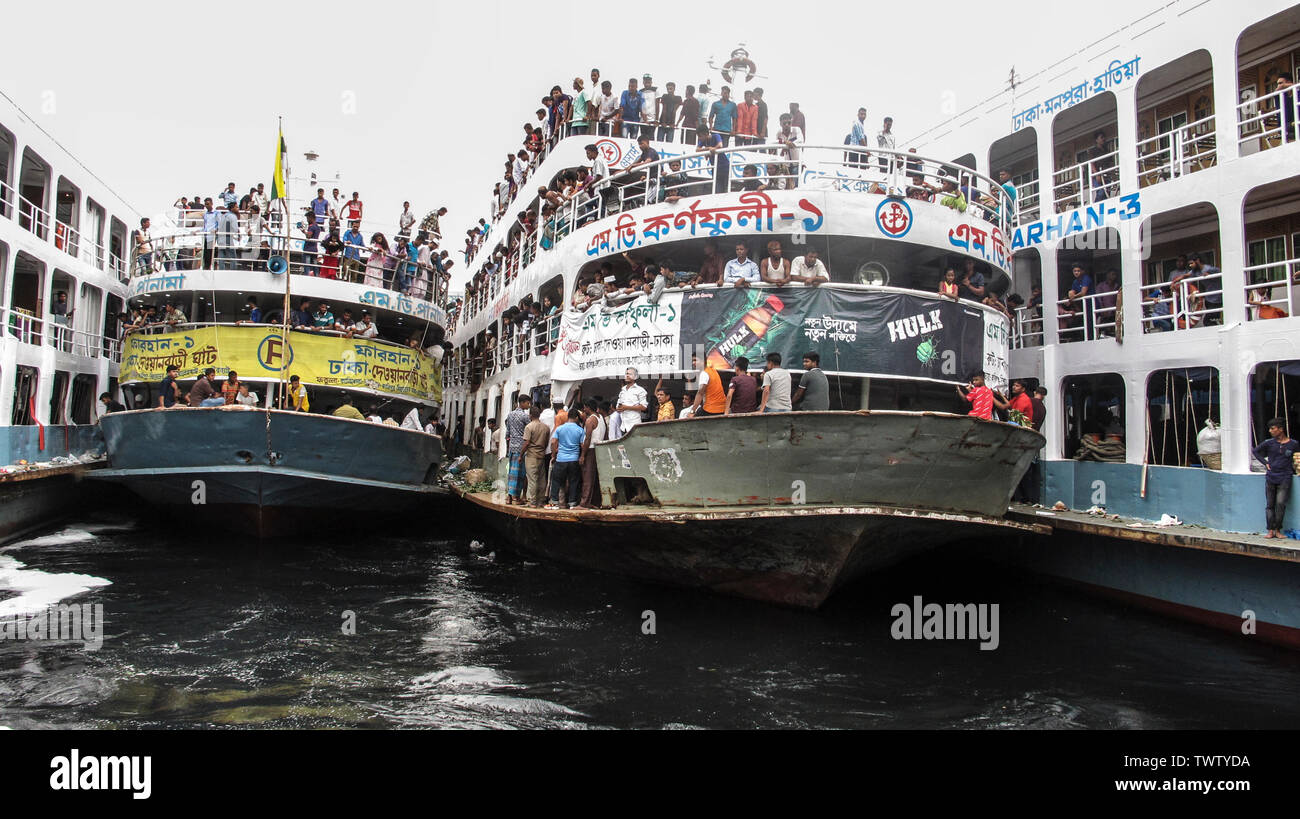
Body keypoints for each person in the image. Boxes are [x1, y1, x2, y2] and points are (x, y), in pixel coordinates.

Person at [1253, 417, 1300, 539]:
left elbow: (1297, 457)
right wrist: (1265, 463)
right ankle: (1270, 530)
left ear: (1281, 429)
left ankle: (1278, 529)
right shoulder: (1269, 443)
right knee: (1270, 504)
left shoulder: (1293, 444)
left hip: (1285, 477)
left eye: (1273, 428)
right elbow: (1255, 451)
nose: (1270, 431)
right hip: (1271, 477)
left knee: (1280, 504)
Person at [546, 412, 586, 510]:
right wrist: (582, 456)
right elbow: (582, 445)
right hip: (574, 459)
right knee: (573, 481)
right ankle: (572, 503)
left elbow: (553, 442)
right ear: (576, 417)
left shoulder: (560, 429)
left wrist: (554, 454)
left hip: (561, 459)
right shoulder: (580, 430)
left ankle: (554, 503)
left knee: (556, 480)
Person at [504, 395, 531, 504]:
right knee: (520, 473)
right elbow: (530, 430)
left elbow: (507, 433)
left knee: (512, 473)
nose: (529, 405)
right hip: (521, 448)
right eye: (528, 403)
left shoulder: (510, 415)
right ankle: (516, 497)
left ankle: (509, 497)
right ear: (522, 402)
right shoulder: (525, 417)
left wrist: (507, 448)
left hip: (512, 446)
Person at [579, 398, 606, 509]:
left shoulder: (590, 420)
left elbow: (587, 438)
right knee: (594, 477)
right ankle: (594, 501)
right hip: (599, 449)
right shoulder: (601, 418)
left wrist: (582, 455)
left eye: (585, 407)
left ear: (588, 407)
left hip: (590, 449)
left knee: (587, 477)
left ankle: (584, 503)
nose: (584, 409)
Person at [522, 405, 549, 507]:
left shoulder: (529, 427)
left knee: (532, 479)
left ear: (530, 415)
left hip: (531, 456)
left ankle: (533, 502)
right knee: (542, 479)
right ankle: (541, 501)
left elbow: (526, 443)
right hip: (541, 455)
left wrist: (521, 455)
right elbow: (546, 443)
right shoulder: (546, 427)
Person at [616, 368, 648, 435]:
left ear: (635, 377)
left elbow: (644, 407)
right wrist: (619, 408)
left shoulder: (640, 390)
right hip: (623, 426)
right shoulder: (623, 390)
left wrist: (626, 407)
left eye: (630, 374)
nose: (627, 375)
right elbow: (619, 405)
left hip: (634, 425)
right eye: (626, 374)